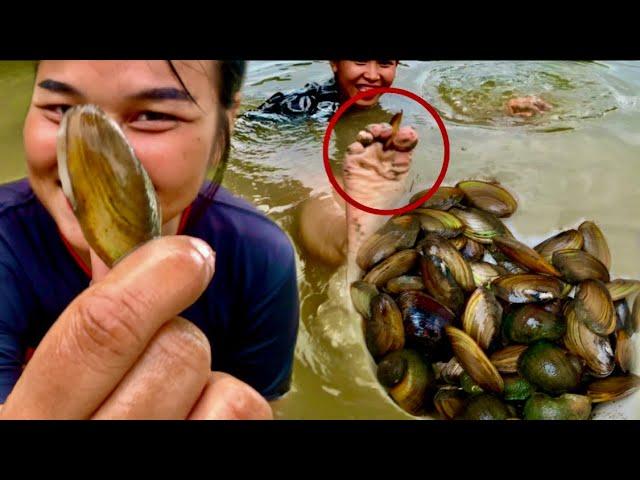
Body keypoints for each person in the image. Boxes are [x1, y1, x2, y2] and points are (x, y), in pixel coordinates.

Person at [0, 60, 299, 419]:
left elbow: (262, 404)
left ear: (226, 123)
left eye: (153, 115)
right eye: (60, 108)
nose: (95, 157)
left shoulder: (261, 258)